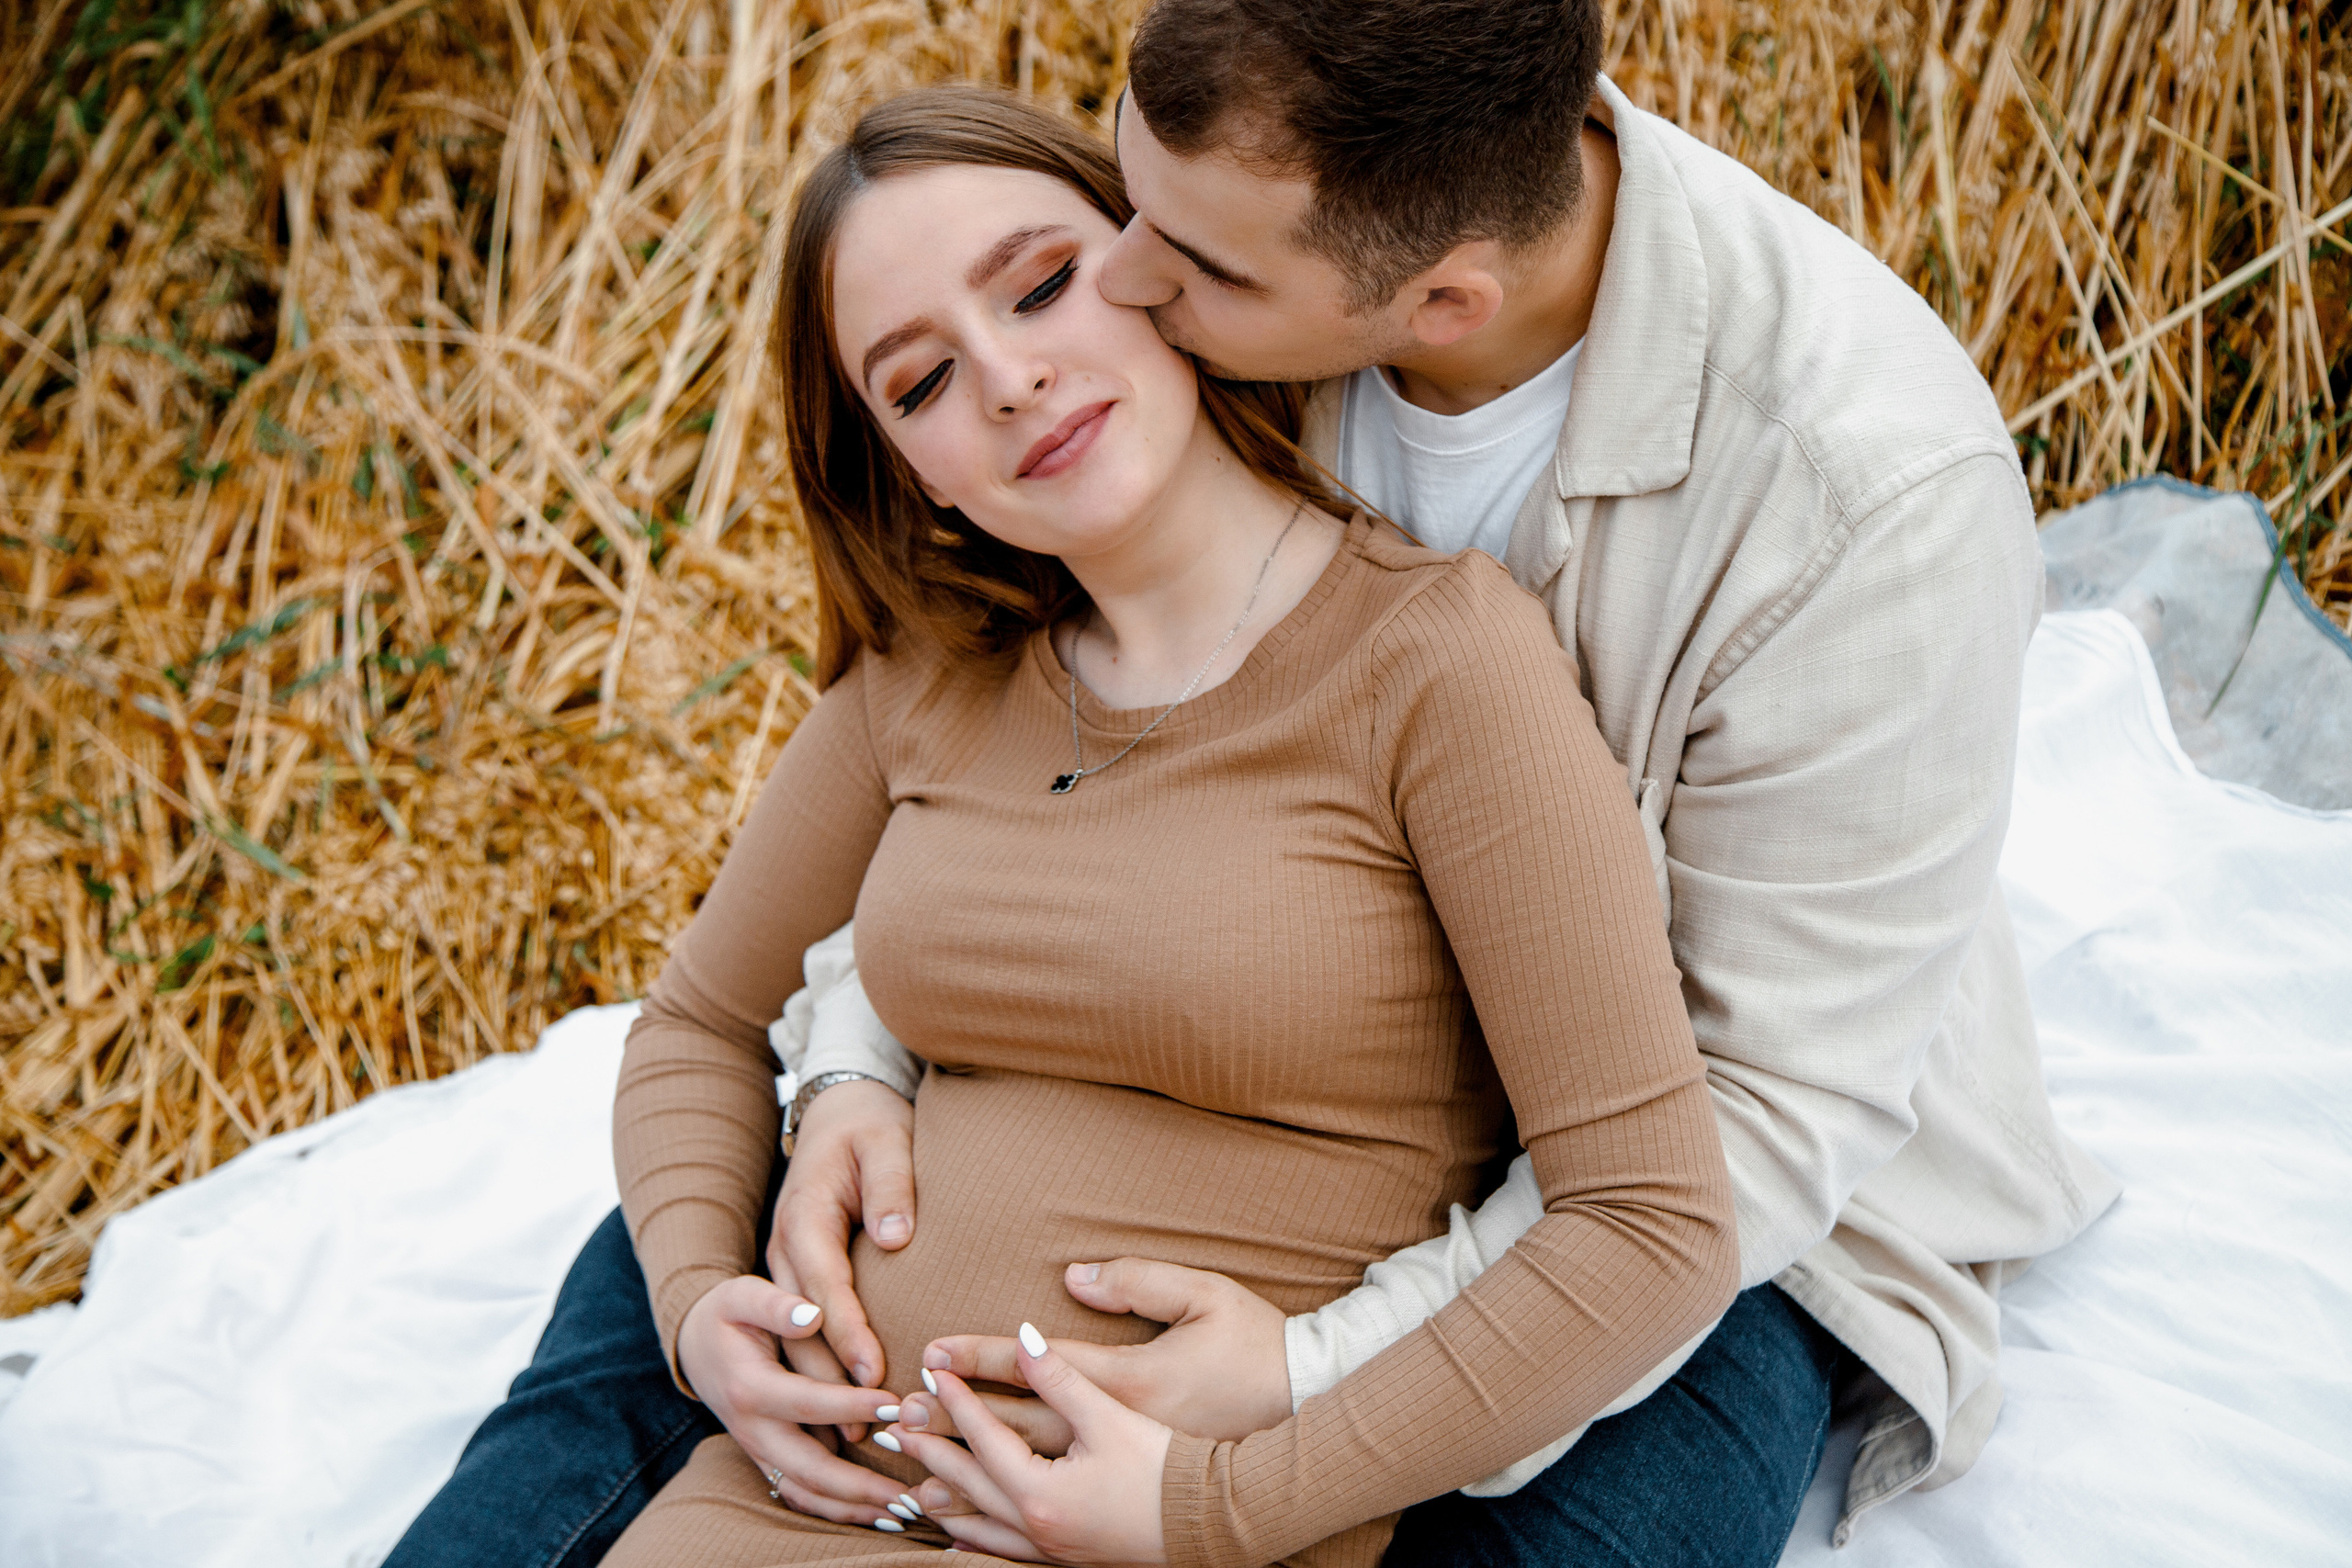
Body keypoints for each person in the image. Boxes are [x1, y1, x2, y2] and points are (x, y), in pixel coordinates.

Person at [390, 2, 2120, 1564]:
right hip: (1136, 1108)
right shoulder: (1239, 230)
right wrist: (853, 1065)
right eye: (1108, 223)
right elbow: (1009, 808)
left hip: (1748, 1188)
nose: (1119, 286)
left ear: (1432, 304)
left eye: (1132, 271)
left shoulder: (1859, 501)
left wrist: (1284, 1397)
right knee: (634, 1333)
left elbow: (1715, 1165)